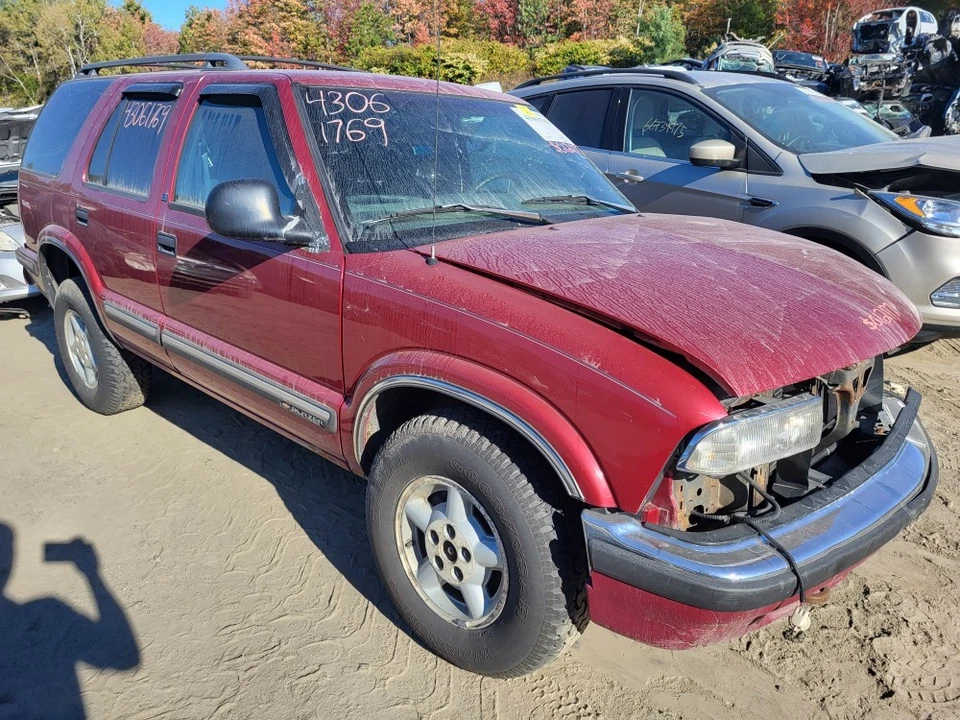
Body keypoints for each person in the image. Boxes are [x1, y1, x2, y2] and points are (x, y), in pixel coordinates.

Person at [0, 524, 139, 719]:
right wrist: (92, 576)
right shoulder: (46, 615)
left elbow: (124, 657)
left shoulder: (45, 615)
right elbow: (123, 656)